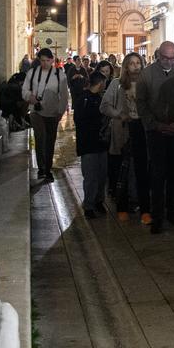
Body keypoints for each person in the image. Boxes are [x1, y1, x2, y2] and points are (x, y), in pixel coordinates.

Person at [137, 40, 174, 232]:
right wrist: (156, 124)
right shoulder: (147, 74)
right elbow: (141, 103)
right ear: (158, 55)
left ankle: (172, 210)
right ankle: (157, 214)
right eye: (165, 58)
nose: (169, 61)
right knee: (158, 174)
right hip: (155, 132)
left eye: (172, 58)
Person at [101, 53, 150, 222]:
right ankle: (122, 206)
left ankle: (145, 208)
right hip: (123, 130)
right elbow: (105, 106)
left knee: (142, 170)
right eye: (132, 63)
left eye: (138, 63)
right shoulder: (117, 84)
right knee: (121, 169)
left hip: (142, 130)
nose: (136, 66)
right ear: (126, 67)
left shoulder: (147, 84)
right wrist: (119, 114)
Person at [23, 48, 69, 184]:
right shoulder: (32, 73)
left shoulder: (59, 75)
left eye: (47, 61)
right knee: (40, 138)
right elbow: (24, 90)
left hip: (53, 113)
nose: (45, 63)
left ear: (52, 61)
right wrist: (29, 97)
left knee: (50, 140)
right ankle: (42, 169)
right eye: (42, 60)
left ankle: (47, 168)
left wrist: (60, 112)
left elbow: (64, 95)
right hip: (36, 112)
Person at [73, 66, 111, 217]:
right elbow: (80, 121)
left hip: (101, 144)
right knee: (90, 176)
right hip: (88, 144)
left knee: (102, 175)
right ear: (100, 83)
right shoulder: (84, 99)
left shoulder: (100, 99)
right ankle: (89, 205)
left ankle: (99, 201)